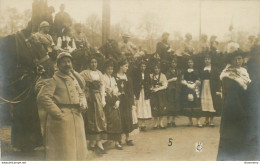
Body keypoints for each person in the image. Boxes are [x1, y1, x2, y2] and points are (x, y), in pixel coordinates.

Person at [37, 52, 88, 160]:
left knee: (78, 150)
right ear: (58, 64)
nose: (67, 64)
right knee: (64, 151)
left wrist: (83, 103)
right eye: (64, 62)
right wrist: (58, 113)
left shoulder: (73, 78)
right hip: (61, 120)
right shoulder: (53, 79)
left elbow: (81, 93)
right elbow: (43, 97)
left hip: (77, 117)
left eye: (69, 61)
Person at [217, 50, 251, 161]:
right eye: (235, 59)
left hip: (243, 108)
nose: (238, 61)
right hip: (232, 112)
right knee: (231, 142)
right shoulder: (227, 75)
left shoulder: (244, 72)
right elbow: (231, 98)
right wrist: (243, 114)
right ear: (231, 61)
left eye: (240, 58)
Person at [80, 56, 107, 154]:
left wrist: (103, 98)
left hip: (98, 98)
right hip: (89, 98)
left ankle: (99, 142)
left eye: (95, 62)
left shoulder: (99, 73)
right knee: (90, 119)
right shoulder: (84, 73)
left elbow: (102, 87)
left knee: (99, 118)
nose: (94, 64)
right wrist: (83, 97)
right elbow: (79, 83)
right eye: (92, 62)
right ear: (89, 63)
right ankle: (92, 141)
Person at [115, 59, 137, 146]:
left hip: (126, 101)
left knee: (127, 118)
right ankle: (119, 138)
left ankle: (128, 137)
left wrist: (132, 103)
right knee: (119, 118)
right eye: (126, 66)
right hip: (119, 101)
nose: (127, 68)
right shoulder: (115, 77)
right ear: (121, 66)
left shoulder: (128, 78)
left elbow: (131, 91)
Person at [102, 60, 123, 150]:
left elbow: (116, 89)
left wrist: (117, 100)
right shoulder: (103, 78)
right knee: (110, 121)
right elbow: (103, 91)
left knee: (117, 120)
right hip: (107, 101)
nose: (110, 70)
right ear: (105, 69)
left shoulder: (113, 78)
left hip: (113, 100)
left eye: (111, 69)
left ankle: (117, 141)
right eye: (108, 69)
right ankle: (108, 140)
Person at [199, 55, 221, 127]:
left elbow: (218, 80)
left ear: (210, 60)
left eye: (208, 59)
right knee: (205, 103)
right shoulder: (202, 69)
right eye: (205, 59)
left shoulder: (214, 69)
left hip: (212, 88)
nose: (207, 61)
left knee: (211, 103)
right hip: (204, 87)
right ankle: (206, 120)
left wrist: (218, 89)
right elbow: (201, 79)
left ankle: (211, 121)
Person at [180, 58, 202, 127]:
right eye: (189, 62)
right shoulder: (185, 72)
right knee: (189, 104)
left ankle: (198, 121)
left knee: (196, 104)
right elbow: (182, 80)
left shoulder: (196, 71)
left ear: (193, 63)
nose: (190, 63)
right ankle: (190, 121)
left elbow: (199, 80)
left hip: (195, 88)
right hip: (187, 88)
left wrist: (194, 85)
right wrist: (187, 84)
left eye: (191, 62)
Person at [132, 60, 152, 131]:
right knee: (138, 106)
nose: (143, 68)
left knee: (145, 107)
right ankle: (138, 124)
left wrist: (147, 87)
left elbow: (149, 83)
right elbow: (134, 84)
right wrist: (139, 85)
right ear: (139, 67)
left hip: (145, 93)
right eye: (141, 66)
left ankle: (143, 125)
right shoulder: (136, 74)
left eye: (144, 66)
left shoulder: (147, 74)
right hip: (139, 93)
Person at [150, 62, 168, 129]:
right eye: (155, 68)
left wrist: (157, 89)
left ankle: (161, 123)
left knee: (162, 107)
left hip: (161, 94)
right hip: (154, 94)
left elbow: (165, 86)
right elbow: (150, 84)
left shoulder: (163, 76)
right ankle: (155, 123)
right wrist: (151, 88)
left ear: (160, 69)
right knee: (155, 107)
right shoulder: (151, 76)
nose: (156, 70)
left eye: (157, 68)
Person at [166, 58, 181, 127]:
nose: (174, 64)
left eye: (175, 63)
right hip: (170, 90)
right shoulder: (168, 71)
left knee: (175, 105)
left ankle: (173, 120)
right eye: (172, 62)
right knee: (169, 105)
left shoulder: (178, 71)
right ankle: (168, 121)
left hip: (176, 90)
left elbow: (180, 80)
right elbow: (166, 81)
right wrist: (172, 80)